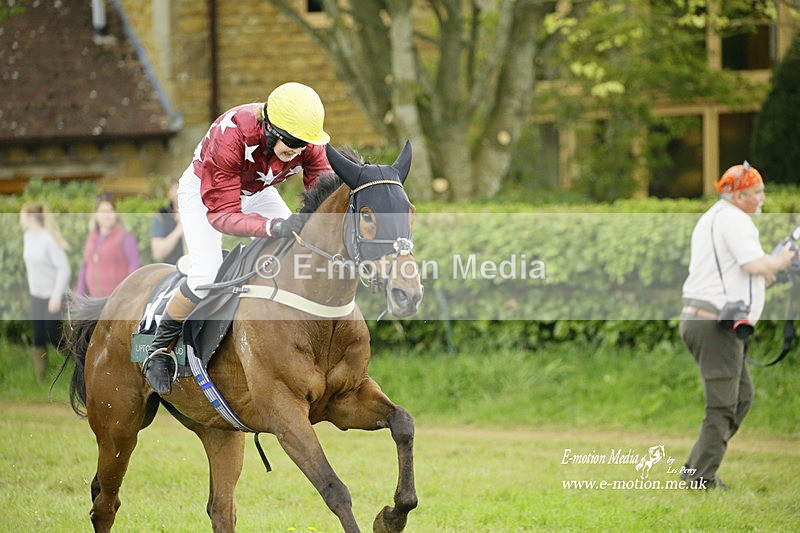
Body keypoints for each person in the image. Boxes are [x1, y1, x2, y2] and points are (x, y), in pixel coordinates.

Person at [141, 82, 333, 394]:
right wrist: (272, 227)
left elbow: (322, 194)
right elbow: (222, 215)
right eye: (293, 143)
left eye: (304, 144)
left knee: (299, 243)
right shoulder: (230, 135)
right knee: (206, 273)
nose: (299, 151)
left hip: (256, 191)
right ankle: (158, 350)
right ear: (270, 127)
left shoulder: (307, 141)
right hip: (206, 194)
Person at [679, 161, 795, 490]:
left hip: (707, 321)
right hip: (714, 324)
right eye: (758, 192)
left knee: (742, 396)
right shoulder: (734, 220)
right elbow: (753, 263)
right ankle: (700, 479)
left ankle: (696, 470)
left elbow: (744, 273)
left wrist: (771, 271)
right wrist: (782, 260)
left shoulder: (716, 218)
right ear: (741, 195)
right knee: (723, 405)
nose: (763, 199)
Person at [19, 203, 71, 383]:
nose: (20, 219)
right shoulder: (28, 237)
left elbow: (64, 269)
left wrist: (56, 296)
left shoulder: (49, 240)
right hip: (37, 296)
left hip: (53, 297)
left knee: (55, 337)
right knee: (38, 337)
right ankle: (40, 379)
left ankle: (77, 364)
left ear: (31, 218)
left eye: (22, 215)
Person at [76, 194, 141, 297]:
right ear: (96, 215)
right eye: (103, 211)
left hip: (116, 300)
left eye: (111, 210)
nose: (108, 215)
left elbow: (134, 265)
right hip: (94, 301)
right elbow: (84, 268)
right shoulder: (91, 238)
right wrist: (78, 299)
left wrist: (128, 294)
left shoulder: (124, 237)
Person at [151, 180, 184, 264]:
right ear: (169, 194)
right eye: (176, 189)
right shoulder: (161, 216)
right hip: (173, 271)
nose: (180, 192)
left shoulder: (200, 215)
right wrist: (179, 229)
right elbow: (158, 253)